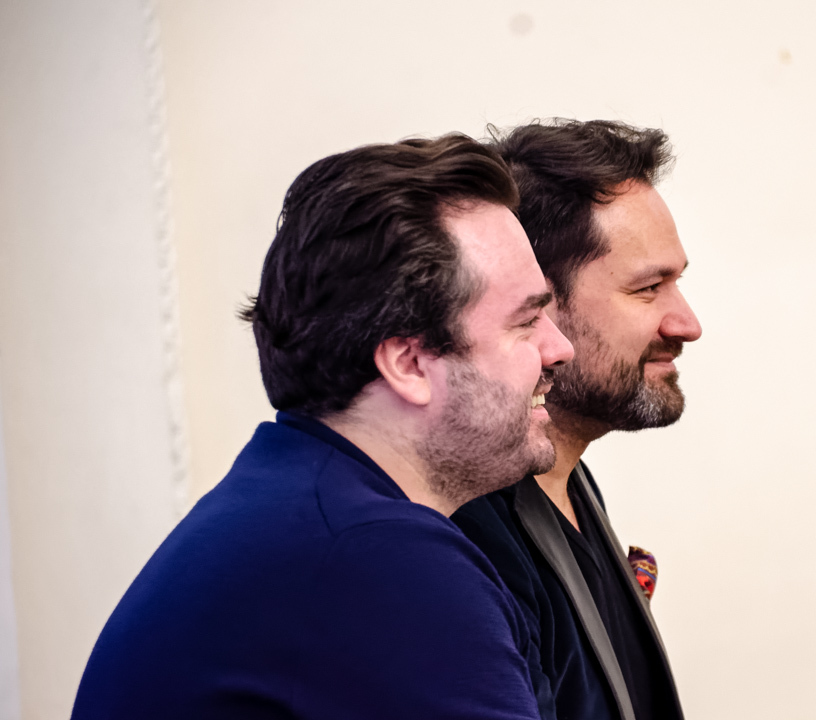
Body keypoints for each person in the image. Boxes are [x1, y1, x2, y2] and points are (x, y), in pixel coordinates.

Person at [71, 134, 574, 719]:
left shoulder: (298, 508)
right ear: (409, 364)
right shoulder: (378, 556)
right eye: (526, 321)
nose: (559, 348)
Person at [452, 120, 702, 720]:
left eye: (677, 282)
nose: (687, 324)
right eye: (648, 288)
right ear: (537, 304)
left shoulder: (571, 483)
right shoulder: (468, 535)